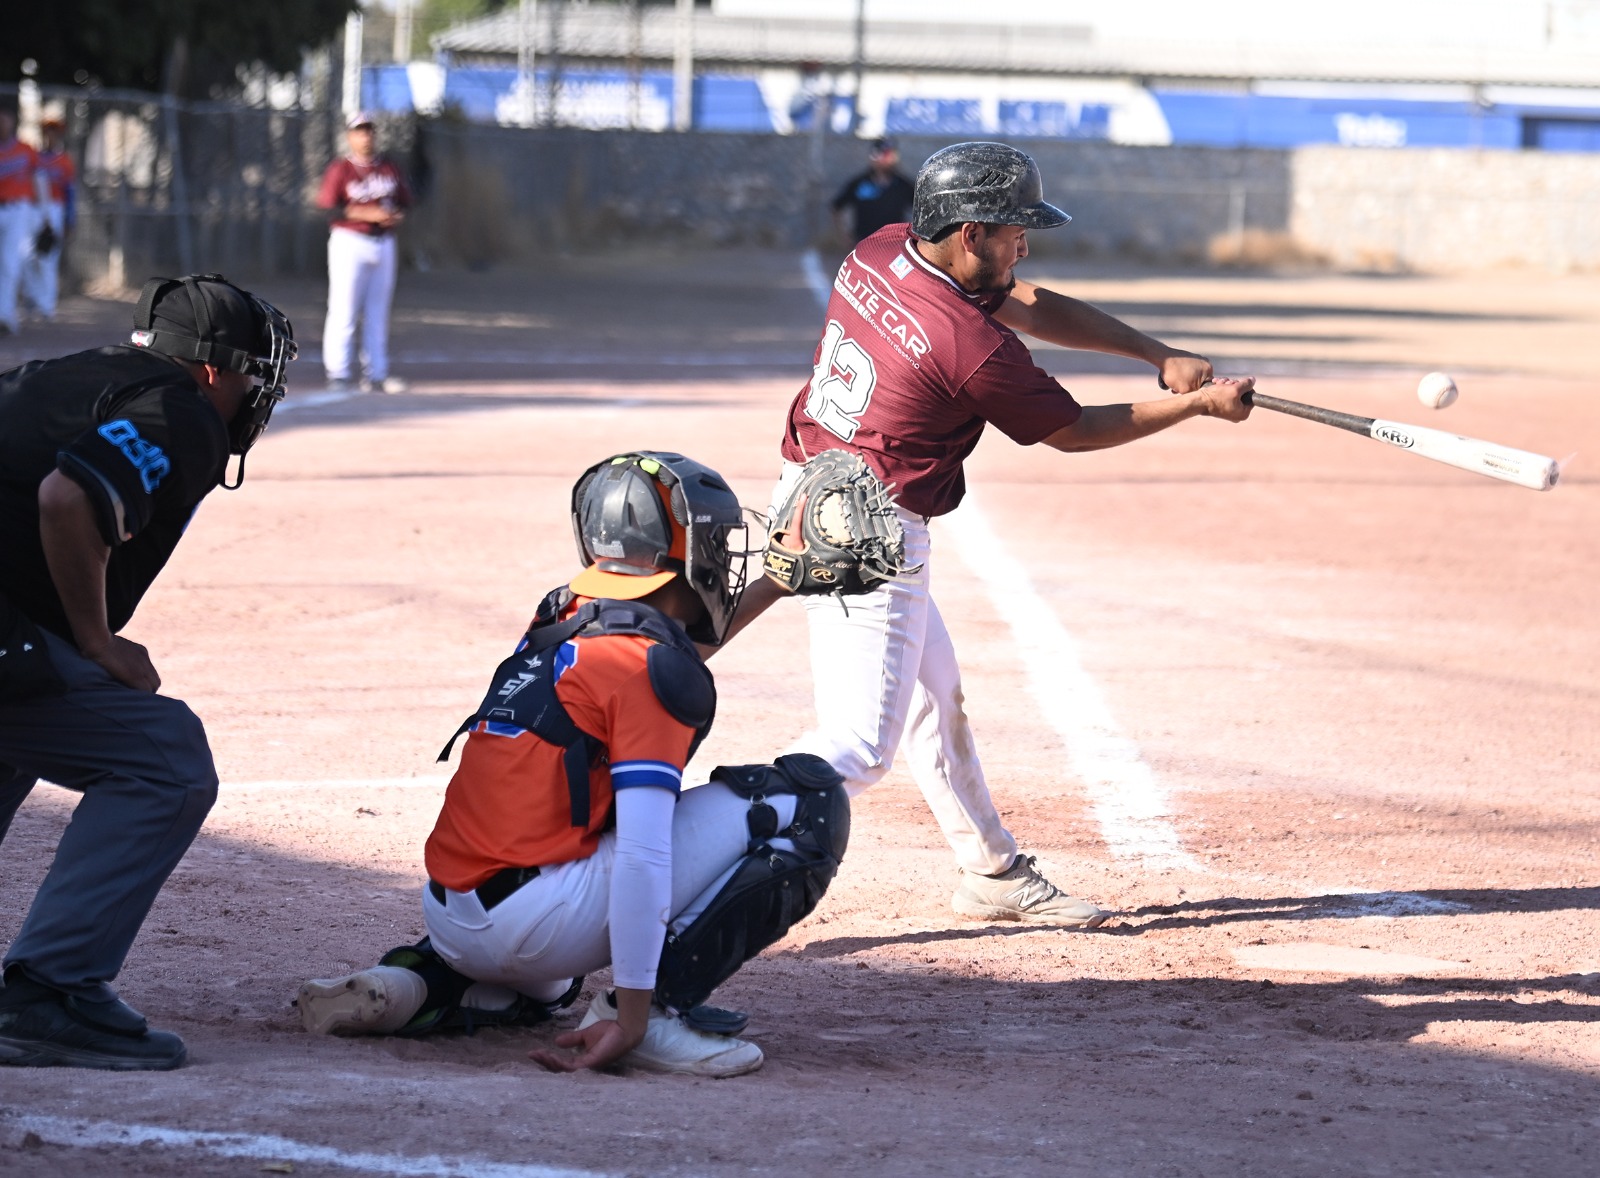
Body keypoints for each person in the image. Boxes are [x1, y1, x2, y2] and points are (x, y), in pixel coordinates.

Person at [735, 141, 1254, 927]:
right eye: (1014, 230)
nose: (1026, 244)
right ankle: (707, 839)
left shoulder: (881, 251)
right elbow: (1074, 430)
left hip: (810, 493)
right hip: (871, 538)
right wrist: (1196, 407)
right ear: (971, 232)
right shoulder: (970, 348)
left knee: (934, 697)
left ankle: (993, 870)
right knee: (860, 746)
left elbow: (1031, 300)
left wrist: (1156, 354)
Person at [296, 452, 850, 1078]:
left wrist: (776, 581)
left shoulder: (562, 614)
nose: (722, 558)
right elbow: (643, 855)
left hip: (456, 916)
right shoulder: (644, 667)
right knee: (807, 802)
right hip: (537, 921)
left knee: (550, 985)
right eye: (714, 542)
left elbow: (660, 654)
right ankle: (658, 1018)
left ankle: (424, 982)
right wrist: (633, 1010)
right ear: (685, 552)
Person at [0, 274, 297, 1070]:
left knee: (24, 722)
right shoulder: (182, 411)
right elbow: (70, 499)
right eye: (249, 377)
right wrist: (99, 643)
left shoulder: (71, 373)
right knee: (164, 759)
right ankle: (49, 993)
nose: (251, 396)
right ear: (210, 370)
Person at [316, 111, 412, 394]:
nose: (366, 135)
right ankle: (339, 373)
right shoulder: (341, 169)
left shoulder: (388, 168)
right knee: (343, 310)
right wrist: (366, 213)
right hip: (350, 241)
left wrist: (395, 215)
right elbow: (328, 207)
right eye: (359, 130)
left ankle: (377, 374)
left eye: (369, 130)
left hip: (384, 242)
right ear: (350, 136)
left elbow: (405, 201)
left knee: (378, 312)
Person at [20, 115, 76, 322]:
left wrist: (70, 220)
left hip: (54, 209)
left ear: (59, 135)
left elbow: (70, 192)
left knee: (48, 258)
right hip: (32, 209)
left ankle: (47, 306)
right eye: (47, 130)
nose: (50, 134)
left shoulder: (64, 161)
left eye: (54, 131)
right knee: (26, 257)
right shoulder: (34, 157)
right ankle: (32, 299)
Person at [0, 105, 40, 336]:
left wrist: (42, 214)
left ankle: (5, 316)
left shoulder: (25, 150)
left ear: (12, 121)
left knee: (9, 262)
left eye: (5, 118)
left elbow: (37, 180)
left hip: (18, 209)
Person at [831, 137, 915, 245]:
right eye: (885, 155)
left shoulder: (904, 185)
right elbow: (836, 208)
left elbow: (921, 209)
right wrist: (843, 236)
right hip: (864, 244)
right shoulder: (859, 183)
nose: (889, 159)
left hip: (894, 245)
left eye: (892, 155)